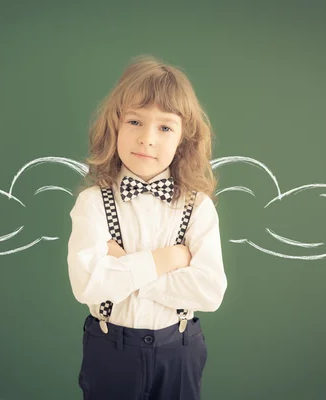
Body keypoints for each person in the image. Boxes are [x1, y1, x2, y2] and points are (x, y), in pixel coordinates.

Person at [67, 54, 228, 400]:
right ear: (115, 125)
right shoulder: (92, 203)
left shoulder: (197, 206)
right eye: (135, 122)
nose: (147, 139)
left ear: (183, 139)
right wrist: (167, 259)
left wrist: (125, 268)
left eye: (165, 127)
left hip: (179, 350)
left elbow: (210, 291)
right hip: (110, 350)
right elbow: (87, 285)